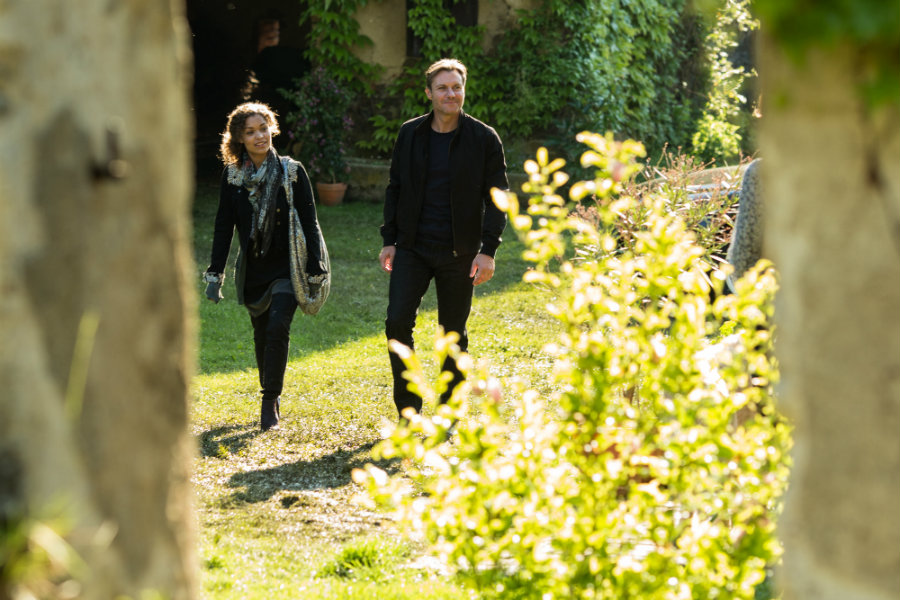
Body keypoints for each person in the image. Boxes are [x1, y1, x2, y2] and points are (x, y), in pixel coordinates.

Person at [379, 58, 508, 420]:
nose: (450, 94)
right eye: (442, 88)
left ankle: (449, 408)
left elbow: (498, 198)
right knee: (397, 323)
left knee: (453, 332)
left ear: (463, 90)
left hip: (460, 253)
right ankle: (408, 410)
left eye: (456, 87)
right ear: (429, 93)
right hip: (412, 248)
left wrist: (487, 250)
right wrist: (390, 239)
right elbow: (395, 188)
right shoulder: (410, 133)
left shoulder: (484, 138)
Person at [204, 102, 329, 431]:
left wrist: (316, 265)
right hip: (254, 271)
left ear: (272, 129)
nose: (260, 136)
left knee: (277, 327)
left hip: (288, 267)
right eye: (250, 132)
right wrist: (215, 274)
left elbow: (310, 221)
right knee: (262, 334)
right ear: (239, 138)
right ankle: (270, 390)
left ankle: (269, 399)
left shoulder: (292, 171)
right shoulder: (233, 176)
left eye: (263, 128)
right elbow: (223, 227)